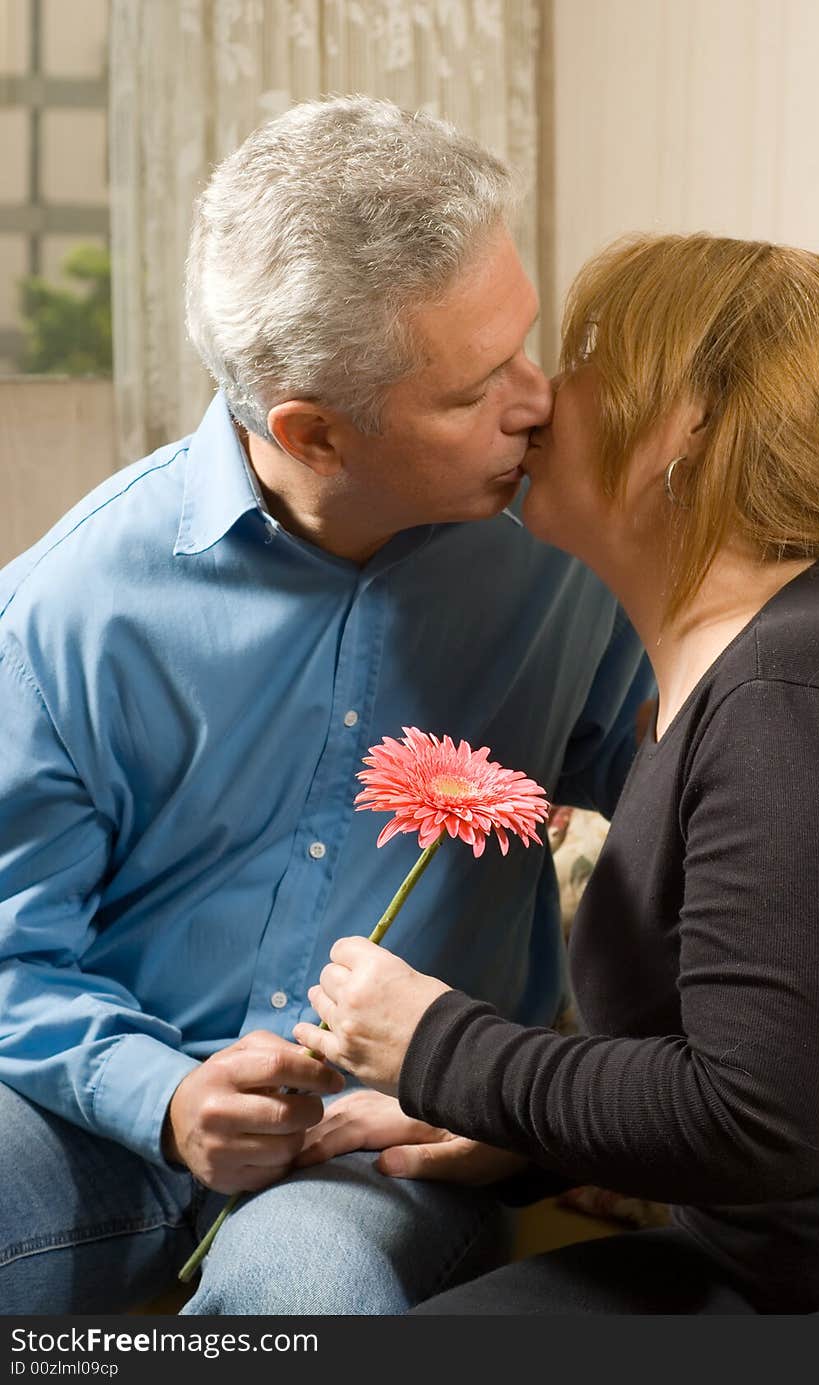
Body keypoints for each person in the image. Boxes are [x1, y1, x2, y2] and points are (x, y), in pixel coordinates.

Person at [0, 97, 651, 1316]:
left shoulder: (572, 555)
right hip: (92, 1117)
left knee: (307, 1299)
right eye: (472, 390)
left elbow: (688, 837)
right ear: (311, 429)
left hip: (389, 1146)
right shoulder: (63, 610)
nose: (536, 401)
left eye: (527, 339)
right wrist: (167, 1095)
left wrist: (580, 1105)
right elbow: (10, 950)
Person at [297, 232, 819, 1315]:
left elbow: (768, 1114)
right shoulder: (724, 677)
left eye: (585, 356)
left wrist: (441, 1046)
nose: (538, 397)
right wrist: (517, 1134)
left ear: (689, 422)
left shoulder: (798, 681)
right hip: (750, 1266)